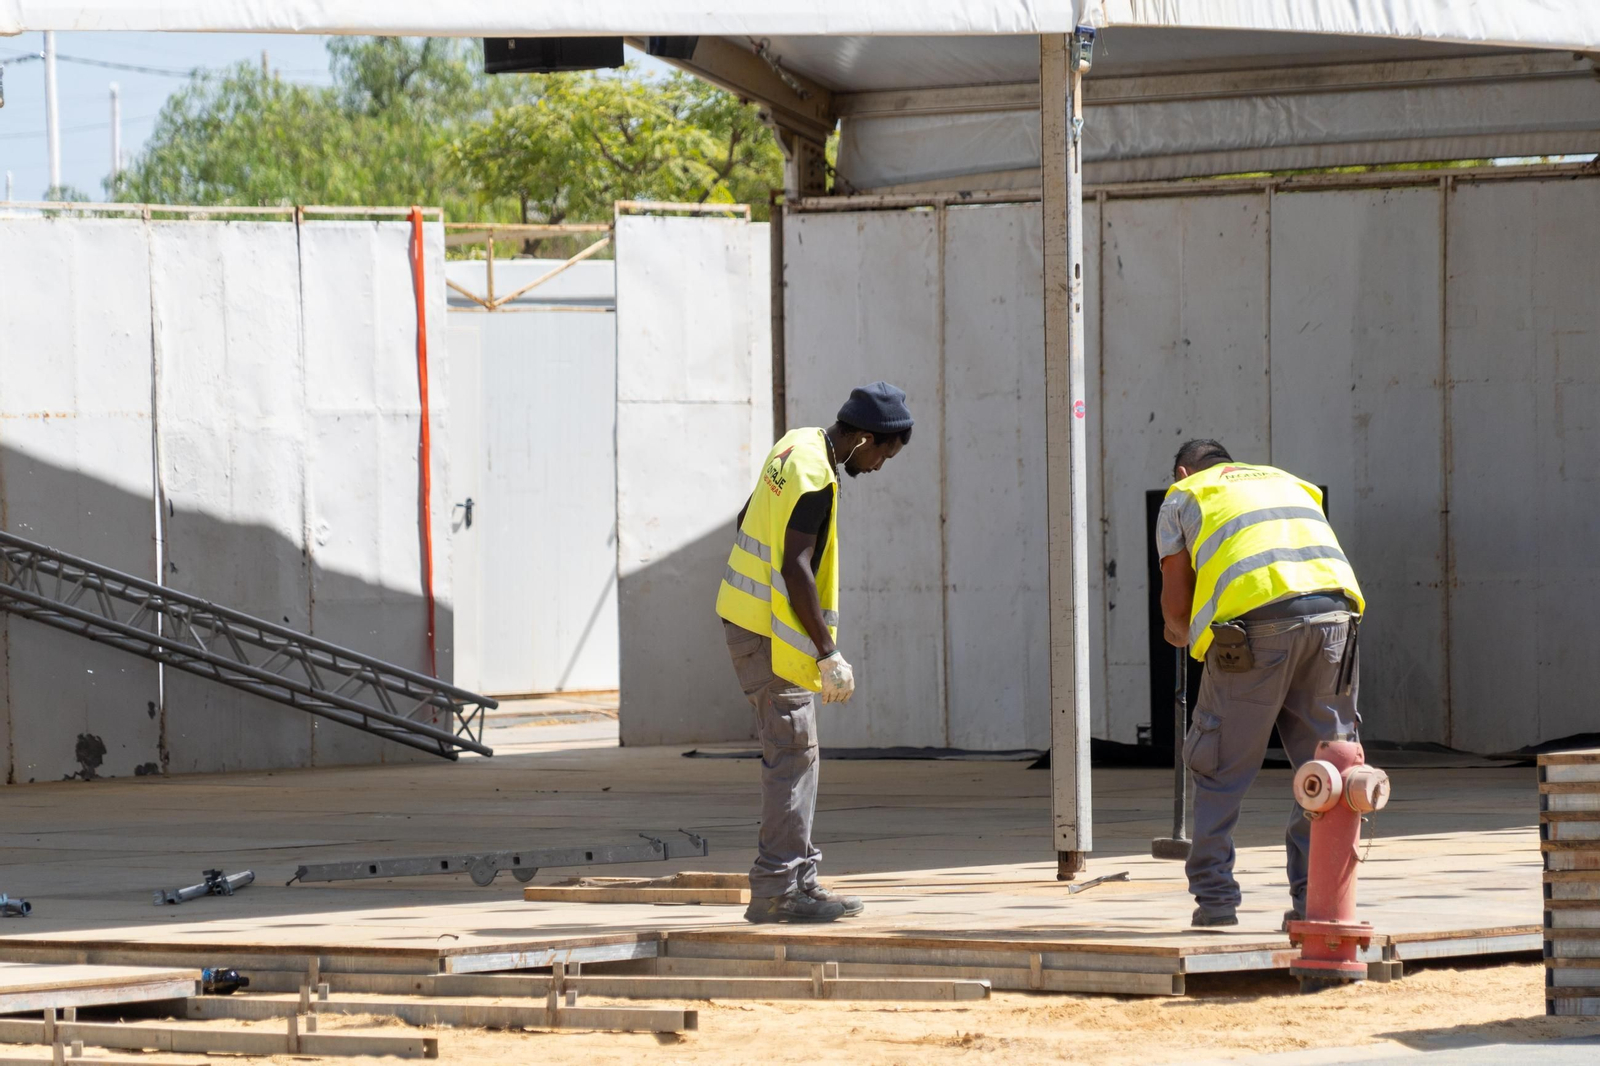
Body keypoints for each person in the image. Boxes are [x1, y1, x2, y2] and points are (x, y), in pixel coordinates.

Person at [715, 382, 913, 923]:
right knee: (792, 758)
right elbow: (795, 565)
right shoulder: (817, 477)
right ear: (864, 438)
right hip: (770, 637)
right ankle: (779, 889)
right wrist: (828, 652)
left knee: (797, 755)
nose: (876, 468)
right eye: (881, 455)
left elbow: (745, 520)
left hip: (747, 619)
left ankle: (797, 880)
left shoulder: (795, 445)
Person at [1156, 439, 1365, 929]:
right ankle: (1317, 902)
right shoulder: (1288, 480)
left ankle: (1216, 902)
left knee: (1219, 766)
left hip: (1254, 629)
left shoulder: (1184, 494)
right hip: (1337, 618)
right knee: (1328, 767)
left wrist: (1178, 632)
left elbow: (1176, 610)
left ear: (1184, 470)